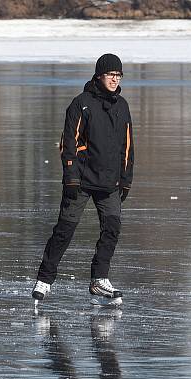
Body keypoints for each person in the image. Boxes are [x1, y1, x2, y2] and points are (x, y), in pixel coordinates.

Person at [32, 54, 134, 303]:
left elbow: (128, 145)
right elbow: (68, 143)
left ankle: (99, 280)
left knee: (112, 229)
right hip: (81, 181)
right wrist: (71, 176)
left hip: (110, 182)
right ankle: (44, 280)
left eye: (118, 75)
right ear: (99, 76)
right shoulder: (81, 103)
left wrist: (126, 178)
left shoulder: (122, 106)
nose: (115, 79)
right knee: (64, 230)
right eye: (111, 75)